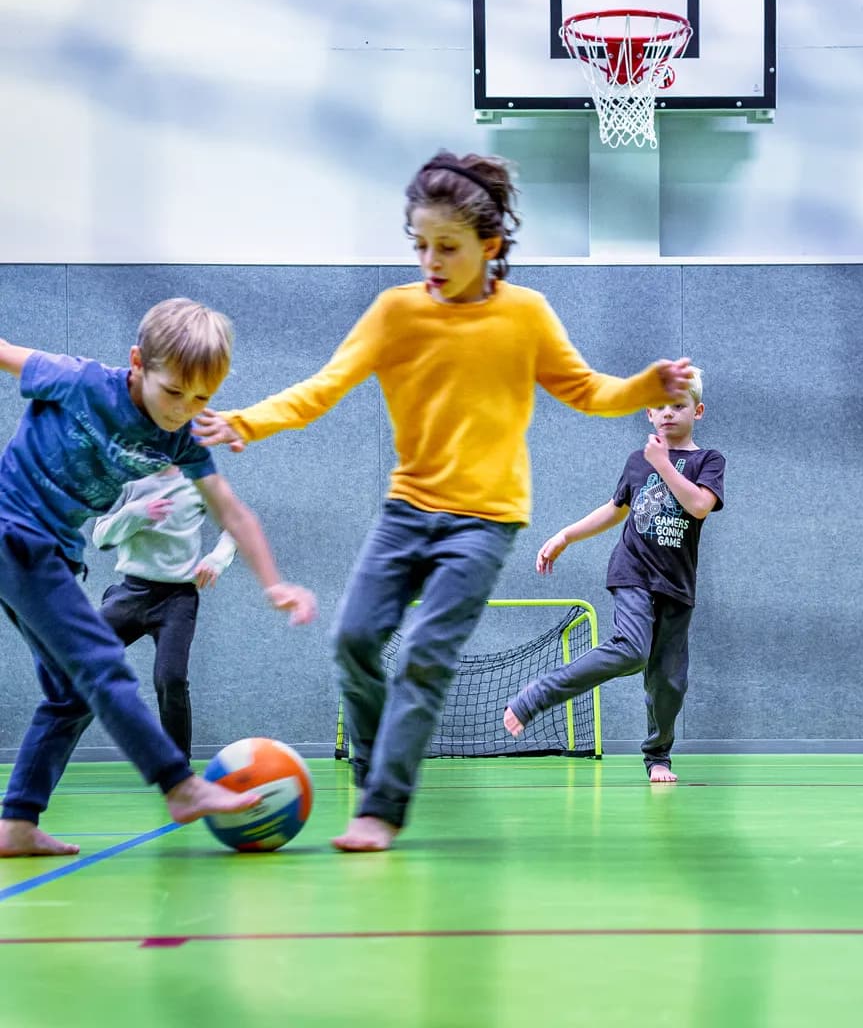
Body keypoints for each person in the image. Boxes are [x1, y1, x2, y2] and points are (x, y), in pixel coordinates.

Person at [193, 149, 694, 852]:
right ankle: (374, 771)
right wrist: (244, 422)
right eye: (420, 244)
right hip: (407, 511)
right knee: (354, 640)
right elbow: (323, 387)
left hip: (485, 521)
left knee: (426, 655)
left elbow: (587, 390)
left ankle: (382, 808)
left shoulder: (526, 315)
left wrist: (645, 386)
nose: (430, 260)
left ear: (489, 245)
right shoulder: (396, 313)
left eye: (448, 246)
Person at [0, 298, 317, 858]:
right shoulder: (80, 381)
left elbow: (232, 512)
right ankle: (179, 784)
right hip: (15, 534)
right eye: (173, 392)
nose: (183, 410)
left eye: (202, 399)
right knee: (101, 662)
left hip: (53, 553)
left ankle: (17, 823)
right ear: (137, 363)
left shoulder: (179, 438)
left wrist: (274, 583)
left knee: (70, 694)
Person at [504, 366, 724, 784]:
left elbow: (698, 506)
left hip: (677, 585)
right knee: (632, 650)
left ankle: (658, 755)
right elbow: (614, 509)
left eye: (678, 406)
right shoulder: (638, 462)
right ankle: (539, 695)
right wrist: (566, 535)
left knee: (669, 683)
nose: (668, 413)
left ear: (697, 411)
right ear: (648, 413)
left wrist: (663, 464)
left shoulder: (707, 461)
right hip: (633, 572)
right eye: (659, 406)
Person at [92, 465, 238, 760]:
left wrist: (217, 559)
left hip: (176, 600)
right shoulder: (123, 478)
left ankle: (179, 768)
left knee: (171, 679)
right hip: (131, 594)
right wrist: (136, 512)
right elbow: (100, 537)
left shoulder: (198, 478)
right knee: (74, 659)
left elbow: (234, 528)